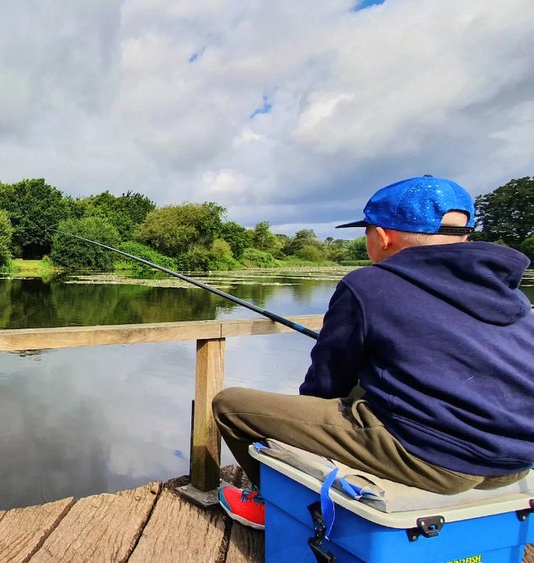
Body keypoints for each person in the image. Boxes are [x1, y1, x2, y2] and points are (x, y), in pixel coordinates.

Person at [213, 175, 534, 530]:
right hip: (516, 460)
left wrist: (304, 435)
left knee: (231, 406)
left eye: (366, 231)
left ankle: (276, 507)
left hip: (437, 459)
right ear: (464, 235)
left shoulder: (367, 284)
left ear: (382, 236)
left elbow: (326, 384)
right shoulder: (510, 293)